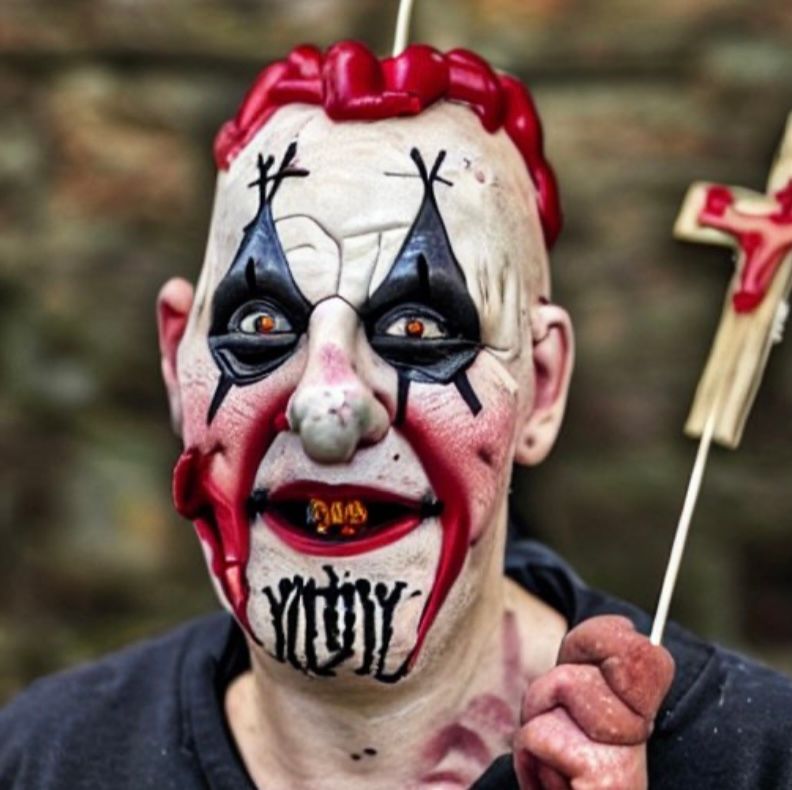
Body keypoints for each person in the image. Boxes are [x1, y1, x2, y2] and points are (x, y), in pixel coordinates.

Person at [1, 40, 791, 790]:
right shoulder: (42, 760)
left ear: (542, 386)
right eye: (262, 324)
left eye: (418, 329)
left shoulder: (761, 761)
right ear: (180, 361)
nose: (328, 410)